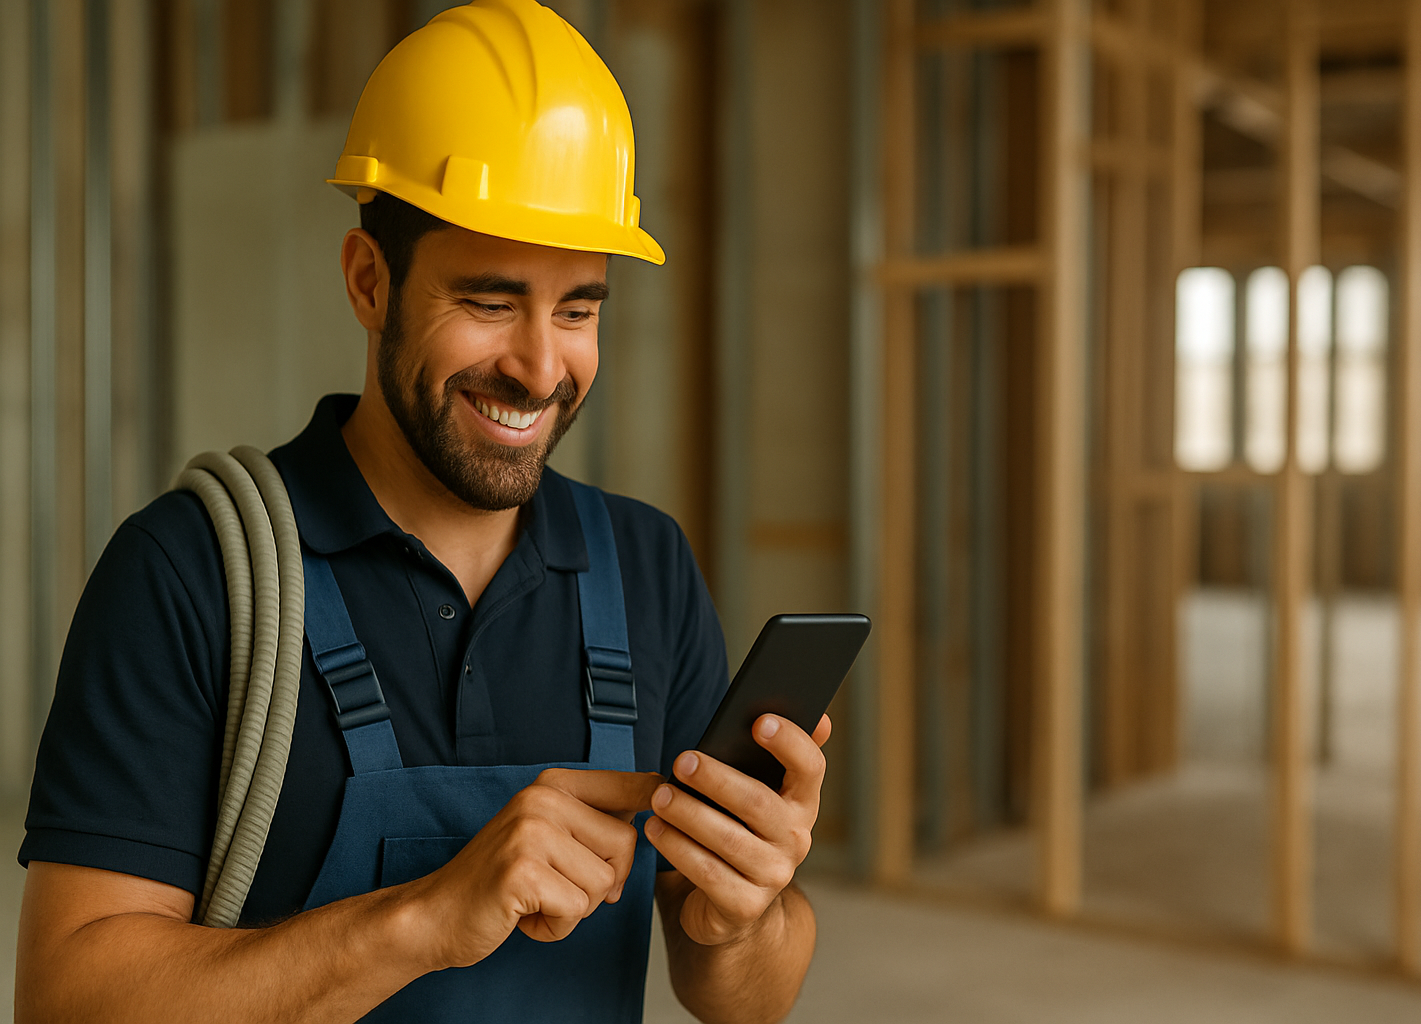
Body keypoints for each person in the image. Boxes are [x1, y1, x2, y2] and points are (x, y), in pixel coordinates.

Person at [14, 2, 826, 1021]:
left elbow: (742, 1002)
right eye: (489, 301)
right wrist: (426, 916)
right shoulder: (191, 577)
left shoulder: (646, 567)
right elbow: (65, 1000)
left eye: (579, 307)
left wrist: (744, 918)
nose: (540, 366)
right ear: (368, 280)